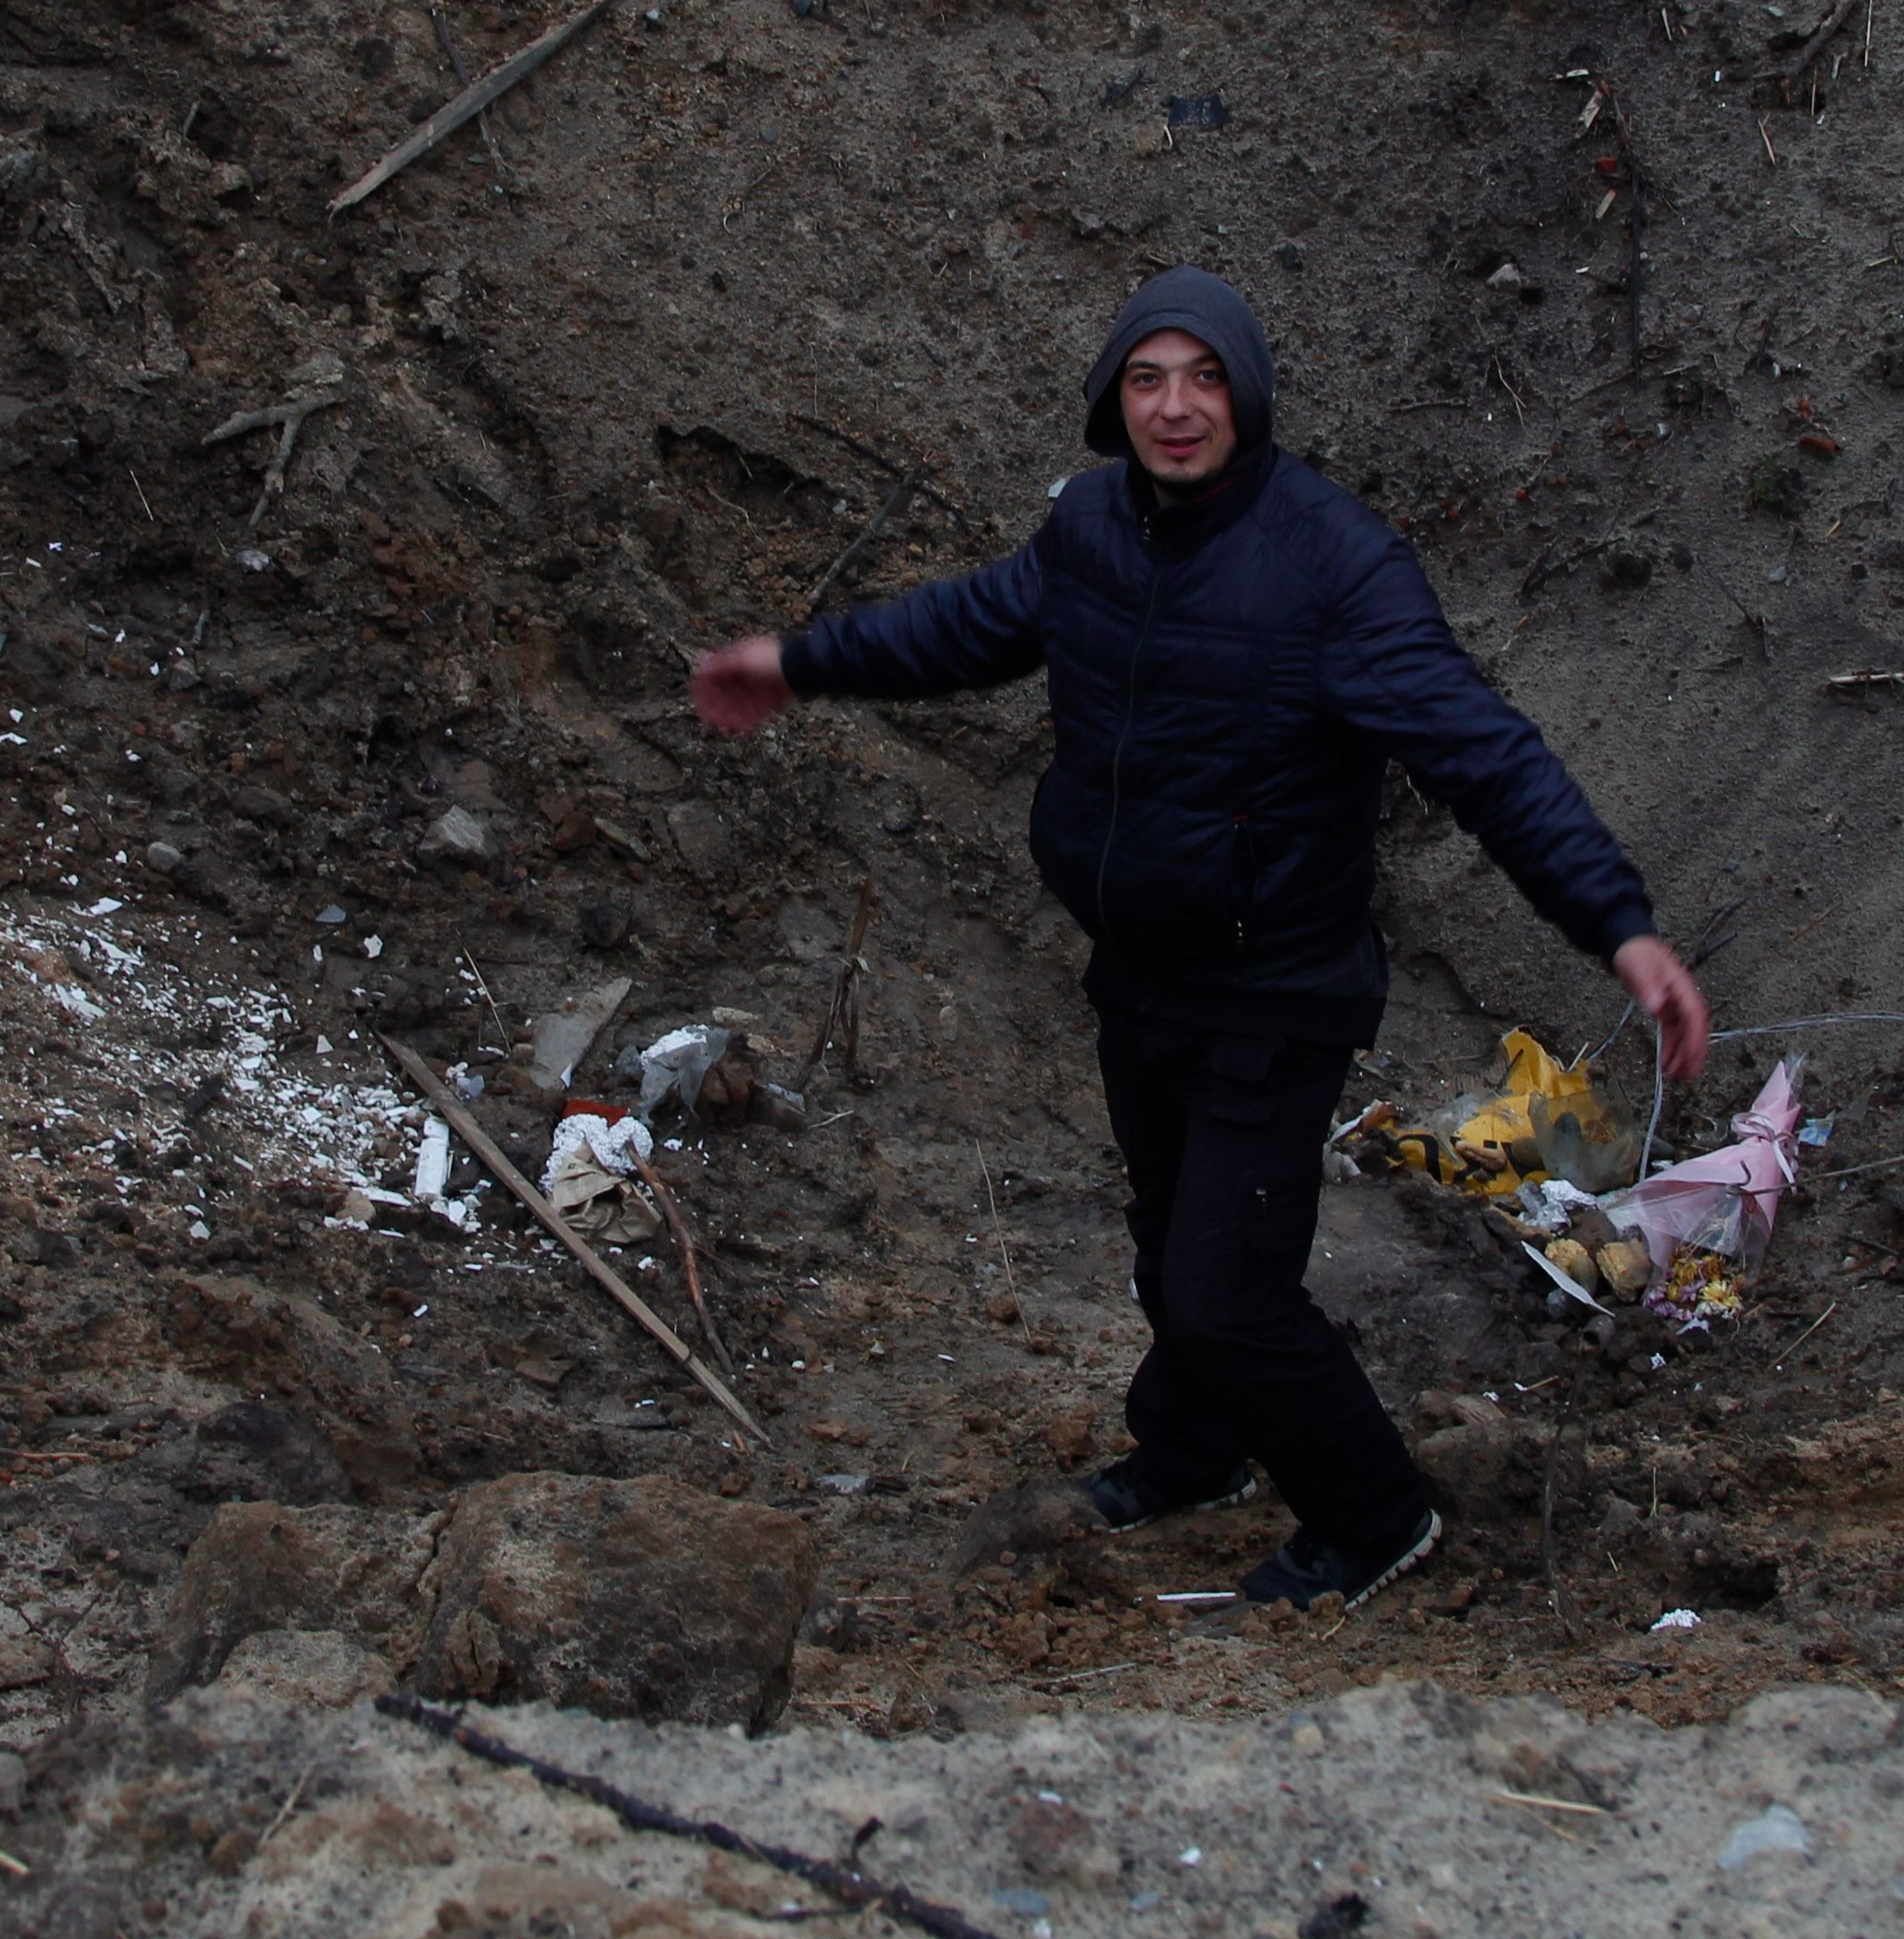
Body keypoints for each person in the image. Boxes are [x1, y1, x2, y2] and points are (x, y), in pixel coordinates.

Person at [690, 266, 1708, 1609]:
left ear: (1250, 393)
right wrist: (799, 661)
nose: (1177, 409)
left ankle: (1374, 1515)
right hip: (1144, 967)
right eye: (1148, 380)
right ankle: (1194, 1450)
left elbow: (1488, 758)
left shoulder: (1334, 568)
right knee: (1170, 1235)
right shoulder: (1095, 528)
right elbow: (966, 626)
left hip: (1276, 988)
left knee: (1228, 1286)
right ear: (1116, 401)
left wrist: (1618, 927)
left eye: (1206, 378)